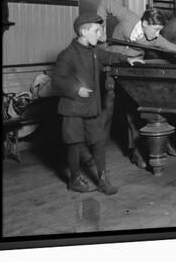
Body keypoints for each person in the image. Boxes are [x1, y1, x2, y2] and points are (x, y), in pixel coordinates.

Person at [96, 0, 176, 168]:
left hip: (130, 73)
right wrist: (99, 27)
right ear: (144, 23)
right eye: (156, 29)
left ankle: (135, 152)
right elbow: (106, 4)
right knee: (106, 111)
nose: (157, 34)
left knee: (131, 111)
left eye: (160, 30)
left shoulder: (154, 39)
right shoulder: (129, 18)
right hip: (110, 66)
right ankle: (97, 154)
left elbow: (174, 48)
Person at [52, 13, 144, 195]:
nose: (101, 34)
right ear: (83, 32)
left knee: (99, 142)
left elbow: (110, 56)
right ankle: (75, 179)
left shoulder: (94, 51)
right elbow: (57, 81)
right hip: (73, 110)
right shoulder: (67, 55)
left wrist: (127, 59)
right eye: (97, 30)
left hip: (91, 109)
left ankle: (102, 180)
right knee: (74, 144)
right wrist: (76, 89)